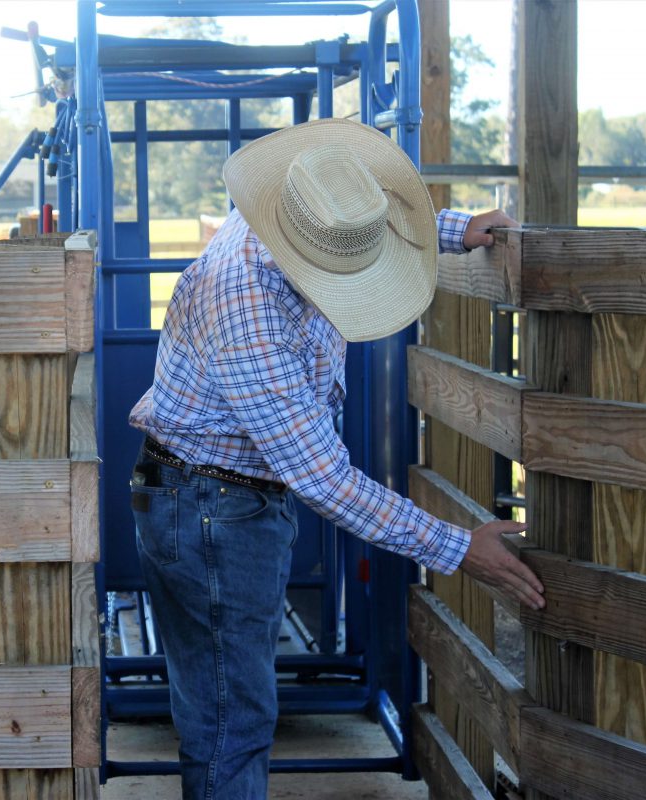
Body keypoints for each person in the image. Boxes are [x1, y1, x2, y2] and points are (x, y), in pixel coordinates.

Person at [127, 118, 544, 799]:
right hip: (211, 510)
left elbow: (354, 224)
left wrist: (454, 228)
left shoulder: (292, 213)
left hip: (212, 499)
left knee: (225, 710)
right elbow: (320, 475)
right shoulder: (249, 301)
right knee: (233, 722)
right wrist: (458, 547)